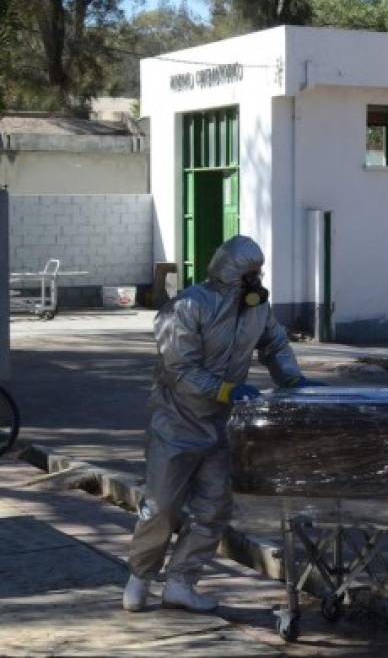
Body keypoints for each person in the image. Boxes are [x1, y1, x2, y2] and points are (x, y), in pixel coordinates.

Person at [123, 235, 310, 613]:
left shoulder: (257, 307)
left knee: (213, 509)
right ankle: (139, 578)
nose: (256, 279)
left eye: (259, 272)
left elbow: (274, 344)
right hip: (176, 423)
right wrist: (224, 389)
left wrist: (291, 377)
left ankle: (181, 582)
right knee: (163, 507)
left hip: (220, 425)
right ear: (230, 272)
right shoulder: (188, 306)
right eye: (249, 272)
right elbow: (179, 368)